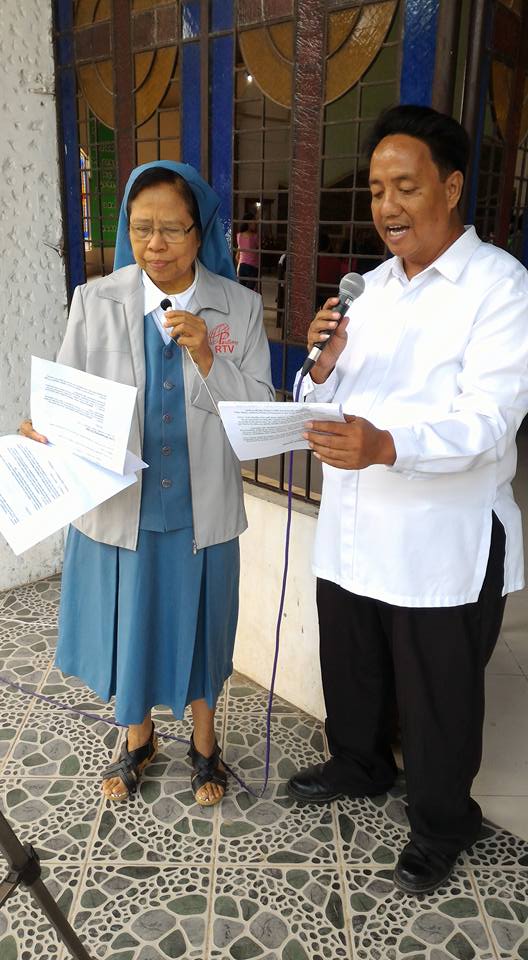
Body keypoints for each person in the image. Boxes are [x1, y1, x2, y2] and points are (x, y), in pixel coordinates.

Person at [286, 105, 528, 895]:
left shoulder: (498, 286)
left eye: (406, 187)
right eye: (376, 190)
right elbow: (312, 393)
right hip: (355, 522)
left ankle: (440, 820)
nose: (387, 206)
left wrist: (388, 444)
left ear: (451, 187)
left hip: (440, 534)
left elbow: (490, 420)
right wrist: (320, 368)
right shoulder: (369, 289)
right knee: (351, 660)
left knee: (438, 694)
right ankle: (358, 763)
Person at [20, 161, 273, 807]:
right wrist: (44, 426)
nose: (154, 245)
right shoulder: (97, 298)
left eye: (171, 231)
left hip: (201, 508)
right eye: (140, 229)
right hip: (122, 505)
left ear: (200, 231)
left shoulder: (237, 307)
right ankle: (137, 740)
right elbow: (69, 393)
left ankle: (206, 745)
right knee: (133, 629)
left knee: (203, 631)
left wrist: (209, 358)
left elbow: (259, 417)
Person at [236, 212, 259, 290]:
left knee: (243, 291)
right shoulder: (255, 237)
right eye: (254, 222)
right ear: (249, 223)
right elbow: (259, 249)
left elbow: (237, 255)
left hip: (242, 266)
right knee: (250, 292)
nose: (256, 224)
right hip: (253, 267)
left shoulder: (239, 235)